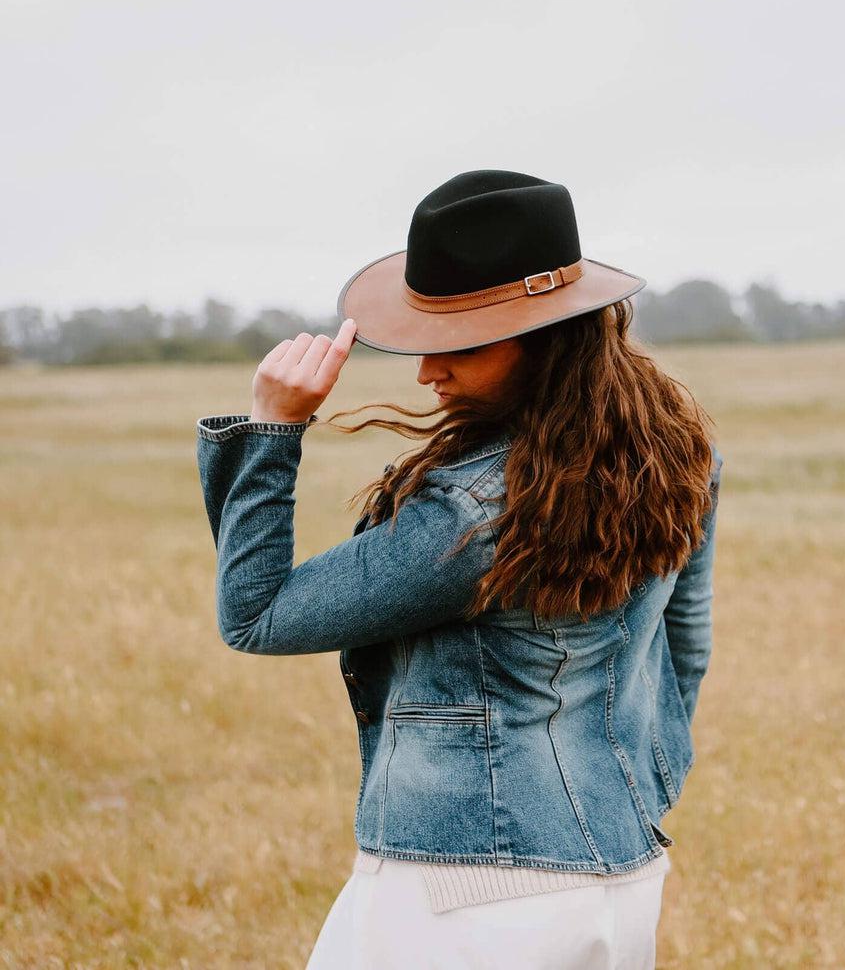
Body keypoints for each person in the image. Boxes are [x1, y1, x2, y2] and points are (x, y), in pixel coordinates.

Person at [195, 169, 723, 969]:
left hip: (464, 889)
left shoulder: (470, 513)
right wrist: (644, 786)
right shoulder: (681, 454)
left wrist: (273, 430)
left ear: (550, 336)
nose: (426, 373)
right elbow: (683, 642)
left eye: (459, 347)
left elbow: (257, 615)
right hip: (623, 876)